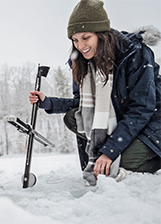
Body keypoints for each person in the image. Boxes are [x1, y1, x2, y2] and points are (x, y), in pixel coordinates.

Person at [29, 0, 160, 186]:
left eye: (85, 37)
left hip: (152, 124)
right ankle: (102, 158)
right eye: (75, 40)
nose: (80, 46)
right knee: (73, 117)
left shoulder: (135, 54)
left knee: (120, 161)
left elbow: (142, 109)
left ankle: (148, 158)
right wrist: (49, 102)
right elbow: (81, 104)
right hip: (124, 123)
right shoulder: (83, 62)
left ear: (101, 34)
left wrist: (109, 152)